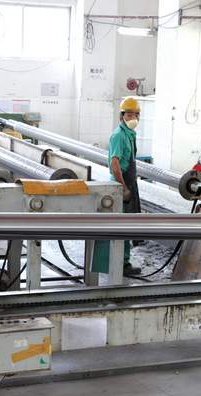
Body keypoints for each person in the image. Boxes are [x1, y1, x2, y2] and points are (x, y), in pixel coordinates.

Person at [91, 96, 142, 276]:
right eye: (129, 114)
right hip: (121, 185)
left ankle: (123, 261)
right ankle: (120, 264)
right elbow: (114, 164)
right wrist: (124, 188)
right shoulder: (119, 136)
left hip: (129, 182)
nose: (133, 118)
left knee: (129, 225)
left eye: (136, 114)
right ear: (122, 116)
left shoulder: (130, 134)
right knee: (122, 226)